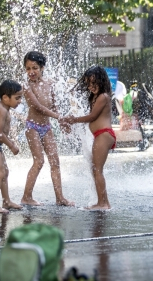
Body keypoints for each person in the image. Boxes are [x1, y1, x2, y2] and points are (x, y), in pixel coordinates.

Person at [21, 51, 74, 207]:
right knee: (39, 161)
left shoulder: (50, 83)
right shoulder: (25, 86)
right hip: (32, 127)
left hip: (46, 127)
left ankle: (60, 198)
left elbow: (53, 105)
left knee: (55, 162)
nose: (31, 72)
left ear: (42, 67)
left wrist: (62, 123)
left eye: (35, 68)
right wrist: (59, 117)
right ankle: (26, 197)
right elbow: (38, 107)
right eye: (28, 68)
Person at [61, 66, 115, 210]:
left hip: (104, 134)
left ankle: (103, 204)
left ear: (102, 81)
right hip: (100, 134)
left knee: (97, 169)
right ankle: (103, 202)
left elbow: (92, 117)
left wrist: (74, 119)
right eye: (88, 84)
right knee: (95, 169)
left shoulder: (103, 96)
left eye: (94, 83)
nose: (91, 86)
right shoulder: (97, 96)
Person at [0, 80, 24, 213]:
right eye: (17, 98)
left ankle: (6, 201)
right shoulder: (1, 110)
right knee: (0, 173)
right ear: (5, 97)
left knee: (5, 172)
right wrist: (12, 145)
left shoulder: (5, 109)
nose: (20, 101)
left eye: (21, 98)